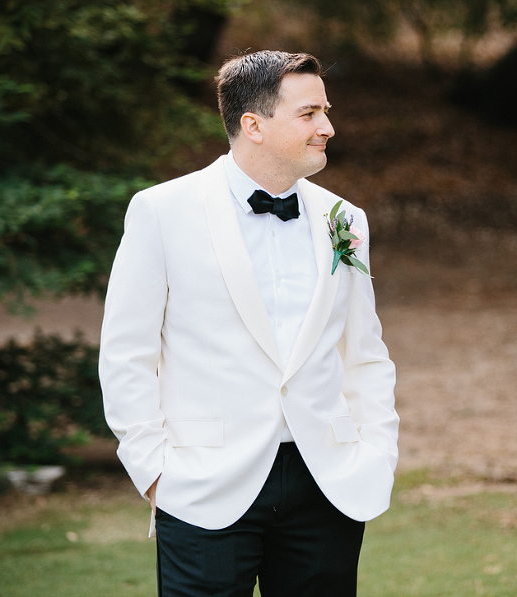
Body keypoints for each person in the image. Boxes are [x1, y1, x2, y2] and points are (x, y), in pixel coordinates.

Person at [99, 50, 399, 596]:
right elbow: (126, 353)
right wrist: (154, 471)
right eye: (309, 114)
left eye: (325, 111)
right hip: (204, 485)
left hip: (325, 482)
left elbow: (366, 352)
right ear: (253, 124)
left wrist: (376, 452)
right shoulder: (161, 211)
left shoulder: (344, 219)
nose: (328, 127)